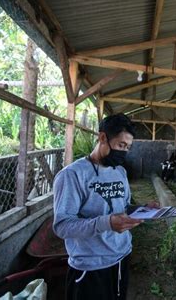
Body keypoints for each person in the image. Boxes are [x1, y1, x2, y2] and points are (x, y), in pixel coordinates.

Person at [53, 113, 156, 300]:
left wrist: (143, 209)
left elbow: (122, 208)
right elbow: (62, 226)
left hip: (121, 257)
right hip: (90, 267)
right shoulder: (72, 175)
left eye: (128, 148)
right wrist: (106, 223)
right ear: (102, 138)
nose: (124, 152)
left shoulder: (120, 172)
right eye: (121, 145)